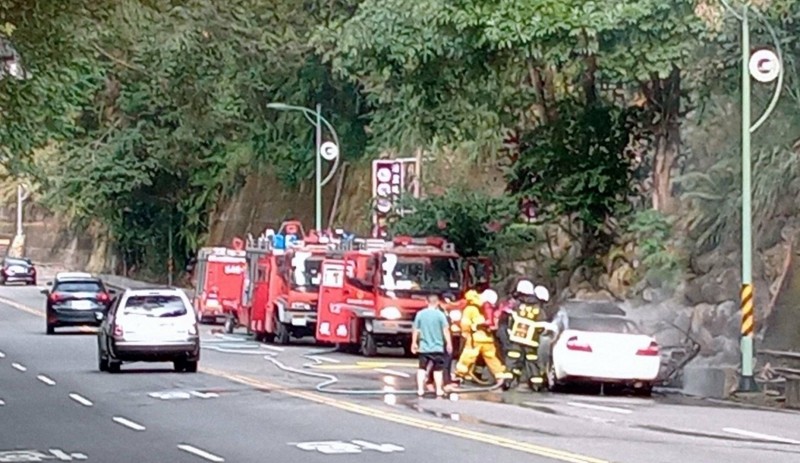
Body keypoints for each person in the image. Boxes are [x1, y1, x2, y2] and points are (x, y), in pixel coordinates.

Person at [455, 290, 512, 385]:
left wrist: (465, 333)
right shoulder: (488, 309)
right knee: (492, 358)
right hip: (488, 338)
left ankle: (459, 376)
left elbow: (465, 323)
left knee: (467, 357)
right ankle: (500, 377)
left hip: (475, 338)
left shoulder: (471, 308)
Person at [504, 282, 552, 390]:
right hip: (531, 341)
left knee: (513, 360)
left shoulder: (520, 306)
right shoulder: (539, 310)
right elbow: (541, 326)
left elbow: (512, 320)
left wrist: (510, 332)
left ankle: (508, 381)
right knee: (532, 361)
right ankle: (536, 384)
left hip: (516, 338)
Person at [411, 293, 453, 397]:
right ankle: (438, 390)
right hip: (437, 347)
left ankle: (420, 389)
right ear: (438, 303)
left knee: (422, 368)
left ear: (426, 302)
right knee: (438, 370)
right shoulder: (440, 315)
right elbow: (445, 330)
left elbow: (416, 329)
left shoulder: (420, 314)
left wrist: (414, 343)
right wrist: (449, 343)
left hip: (424, 347)